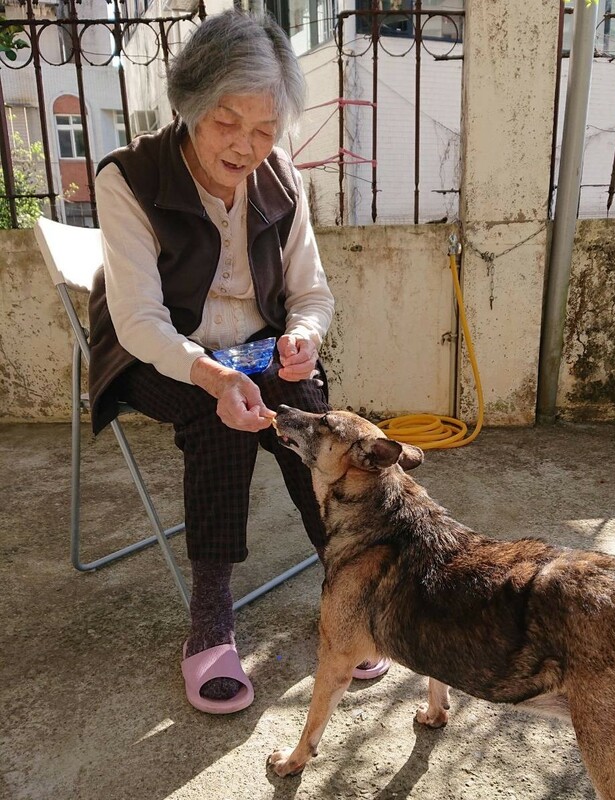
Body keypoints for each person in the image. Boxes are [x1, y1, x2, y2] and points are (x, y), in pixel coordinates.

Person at [88, 8, 390, 715]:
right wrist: (211, 371)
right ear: (191, 106)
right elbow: (137, 320)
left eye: (265, 129)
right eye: (228, 123)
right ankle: (211, 616)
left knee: (309, 412)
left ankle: (344, 583)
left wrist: (304, 336)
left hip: (257, 347)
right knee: (221, 415)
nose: (247, 146)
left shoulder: (281, 180)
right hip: (158, 355)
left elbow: (310, 294)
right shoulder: (130, 178)